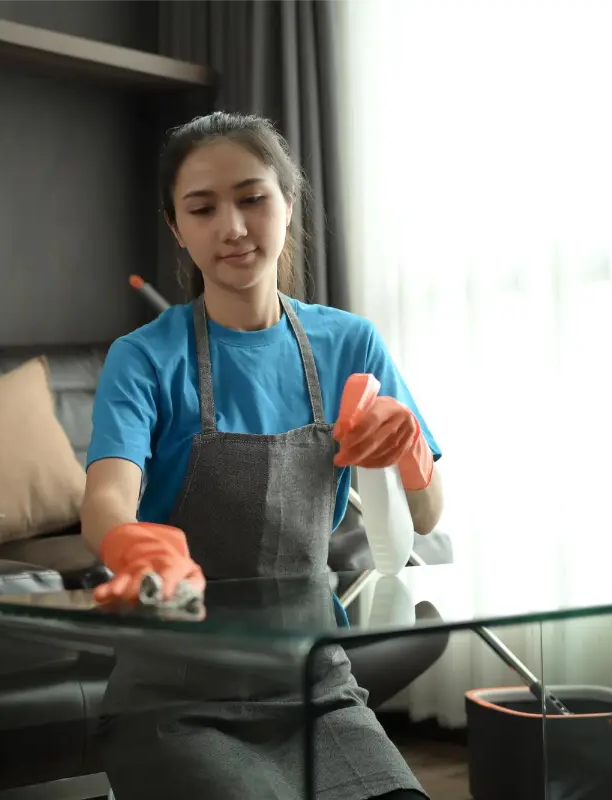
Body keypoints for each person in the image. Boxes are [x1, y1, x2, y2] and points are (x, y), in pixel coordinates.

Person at [81, 111, 443, 800]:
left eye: (252, 198)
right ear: (176, 228)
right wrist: (130, 544)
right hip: (171, 700)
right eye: (203, 208)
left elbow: (428, 516)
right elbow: (105, 498)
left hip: (316, 689)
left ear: (288, 202)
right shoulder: (144, 358)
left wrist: (408, 444)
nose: (234, 227)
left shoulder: (350, 345)